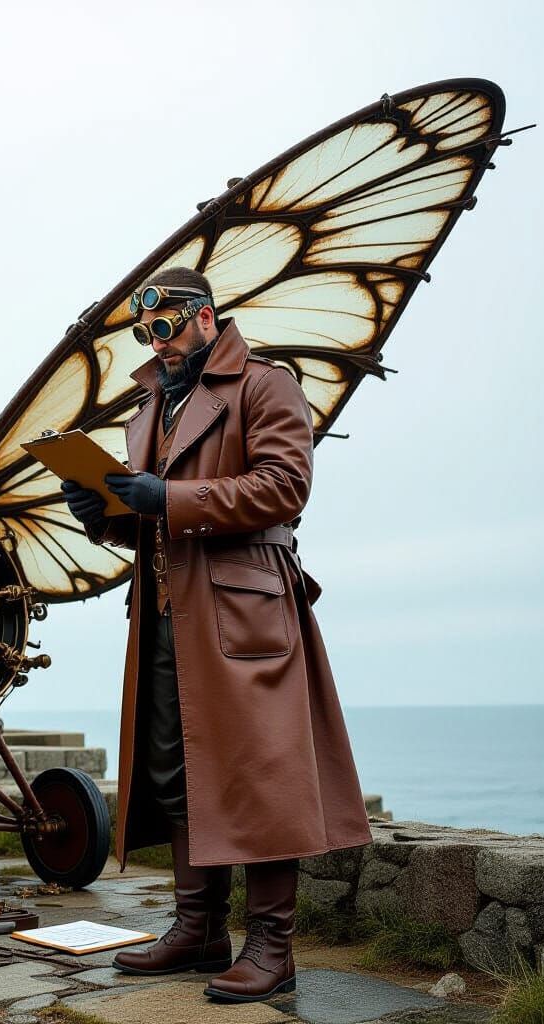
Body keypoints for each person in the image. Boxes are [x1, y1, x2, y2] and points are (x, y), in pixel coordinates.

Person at [61, 267, 372, 1004]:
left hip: (244, 612)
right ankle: (199, 929)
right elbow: (154, 520)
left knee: (261, 774)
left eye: (165, 328)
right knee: (175, 770)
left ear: (204, 317)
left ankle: (273, 948)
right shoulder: (150, 408)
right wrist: (102, 512)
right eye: (146, 334)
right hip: (166, 614)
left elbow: (284, 487)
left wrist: (168, 495)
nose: (156, 344)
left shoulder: (265, 385)